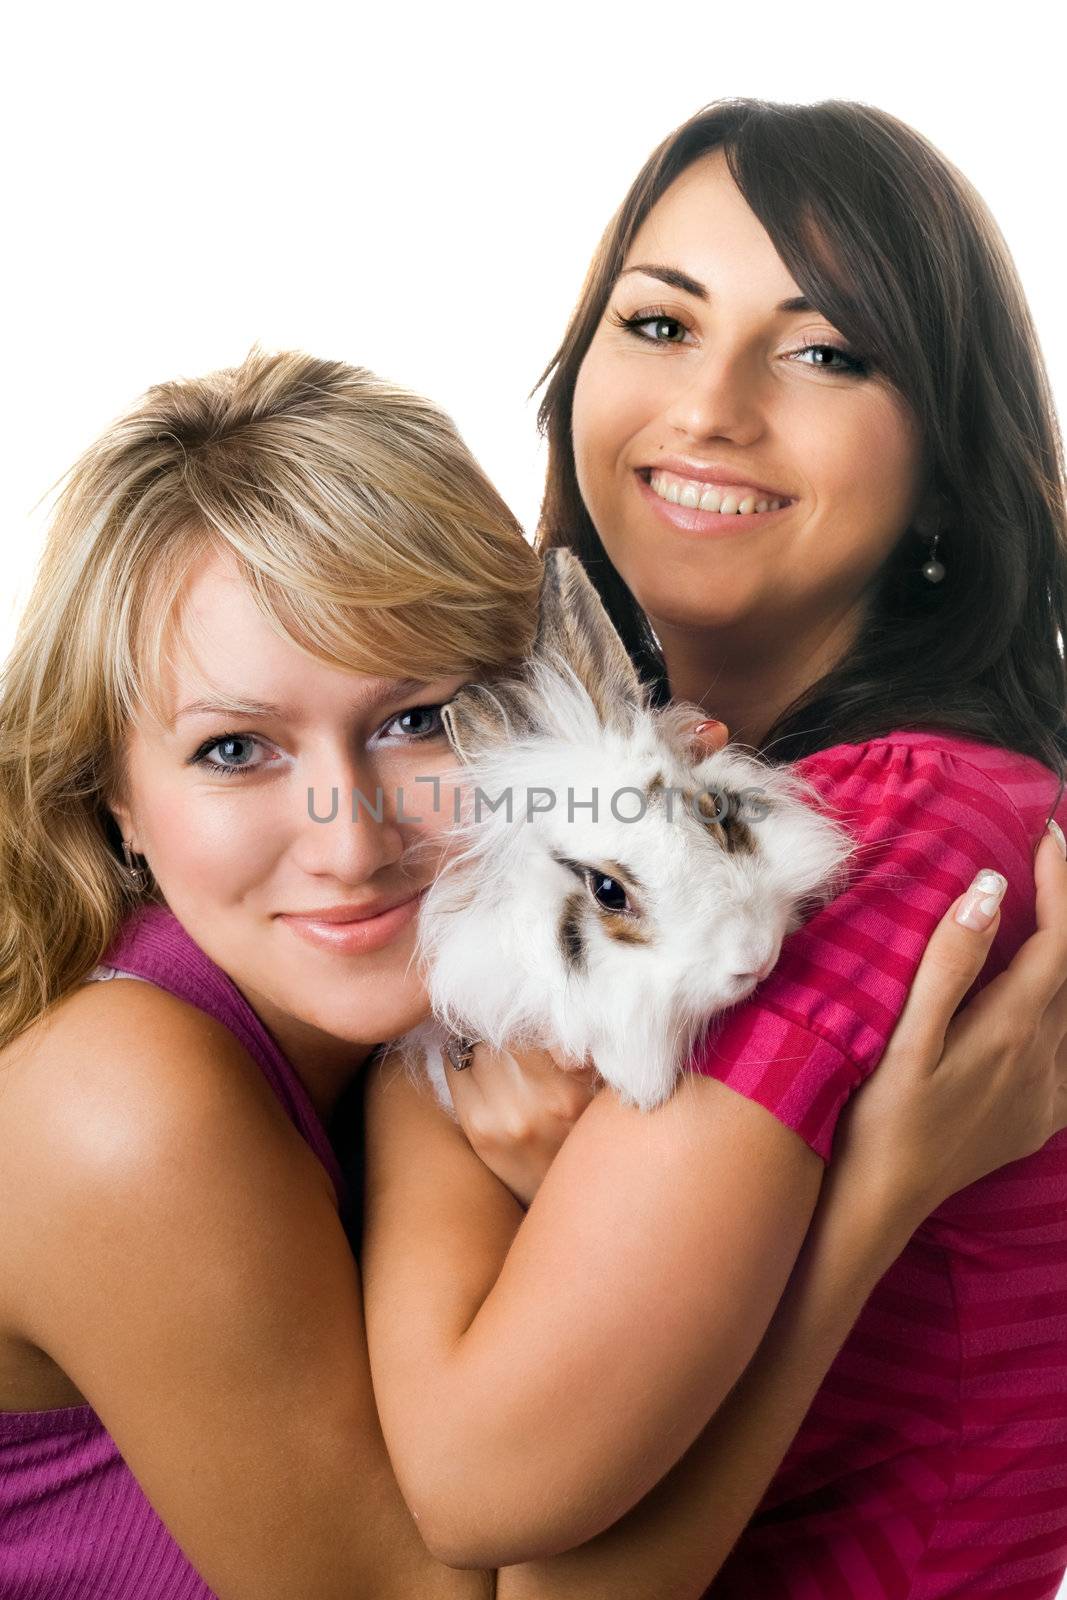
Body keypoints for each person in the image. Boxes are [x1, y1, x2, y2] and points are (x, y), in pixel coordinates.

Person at [0, 397, 1060, 1595]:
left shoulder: (447, 1030)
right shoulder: (121, 1105)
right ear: (115, 800)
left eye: (414, 723)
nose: (347, 843)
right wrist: (873, 1193)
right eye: (236, 750)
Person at [358, 98, 1067, 1598]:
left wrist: (415, 1115)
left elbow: (489, 1491)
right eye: (659, 324)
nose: (710, 410)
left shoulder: (885, 829)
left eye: (822, 353)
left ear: (945, 461)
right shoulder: (670, 782)